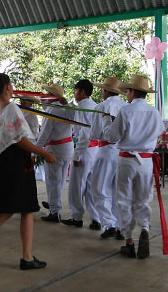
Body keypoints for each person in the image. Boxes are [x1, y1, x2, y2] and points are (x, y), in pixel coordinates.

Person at [0, 72, 56, 270]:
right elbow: (20, 139)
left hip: (3, 162)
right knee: (25, 208)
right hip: (15, 162)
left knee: (11, 210)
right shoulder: (11, 108)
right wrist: (43, 153)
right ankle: (26, 257)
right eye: (11, 85)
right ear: (7, 88)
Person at [102, 75, 163, 259]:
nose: (126, 95)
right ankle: (144, 227)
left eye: (127, 91)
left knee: (124, 200)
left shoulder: (126, 111)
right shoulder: (154, 112)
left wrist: (108, 122)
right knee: (143, 199)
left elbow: (112, 136)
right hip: (145, 161)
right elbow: (159, 133)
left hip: (127, 160)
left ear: (132, 92)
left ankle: (129, 240)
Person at [90, 77, 127, 239]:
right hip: (123, 152)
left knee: (99, 188)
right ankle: (120, 225)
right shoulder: (126, 107)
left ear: (106, 91)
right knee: (118, 191)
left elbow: (95, 133)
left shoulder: (102, 106)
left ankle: (109, 223)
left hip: (106, 150)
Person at [62, 80, 99, 229]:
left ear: (83, 92)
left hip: (85, 149)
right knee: (90, 186)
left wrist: (77, 154)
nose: (74, 93)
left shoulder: (84, 107)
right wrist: (66, 104)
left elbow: (84, 133)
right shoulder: (94, 105)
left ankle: (76, 217)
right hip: (94, 150)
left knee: (77, 185)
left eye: (76, 90)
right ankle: (95, 218)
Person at [35, 84, 74, 223]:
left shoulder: (52, 110)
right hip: (67, 147)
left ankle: (54, 211)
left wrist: (36, 150)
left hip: (56, 149)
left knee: (53, 181)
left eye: (47, 94)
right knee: (60, 180)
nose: (44, 96)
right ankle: (55, 205)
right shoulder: (65, 108)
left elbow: (44, 133)